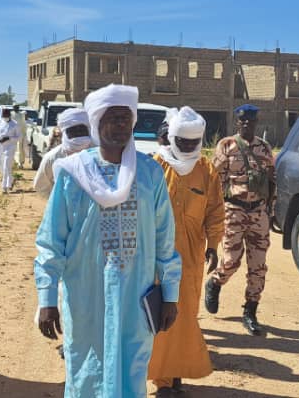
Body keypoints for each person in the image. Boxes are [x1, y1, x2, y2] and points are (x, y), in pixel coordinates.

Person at [35, 84, 182, 398]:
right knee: (86, 369)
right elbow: (51, 242)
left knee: (132, 369)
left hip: (135, 296)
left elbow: (164, 238)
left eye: (125, 118)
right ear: (96, 122)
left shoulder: (150, 173)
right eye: (112, 117)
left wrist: (170, 294)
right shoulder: (72, 173)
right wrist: (47, 299)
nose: (120, 124)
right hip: (85, 295)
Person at [148, 106, 223, 395]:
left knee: (184, 315)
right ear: (172, 138)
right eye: (183, 142)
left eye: (194, 143)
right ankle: (162, 380)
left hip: (191, 258)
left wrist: (213, 245)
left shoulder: (206, 170)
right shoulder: (155, 167)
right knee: (159, 315)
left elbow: (215, 210)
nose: (189, 147)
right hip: (156, 257)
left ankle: (175, 373)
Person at [204, 103, 276, 336]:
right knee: (231, 261)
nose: (246, 124)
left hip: (258, 212)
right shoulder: (226, 145)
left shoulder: (264, 148)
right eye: (242, 120)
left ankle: (250, 311)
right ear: (237, 122)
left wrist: (270, 210)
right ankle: (215, 282)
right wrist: (213, 212)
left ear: (256, 122)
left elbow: (271, 180)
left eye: (251, 120)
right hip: (234, 210)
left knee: (258, 266)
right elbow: (214, 180)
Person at [33, 107, 93, 197]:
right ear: (65, 132)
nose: (78, 133)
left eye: (81, 130)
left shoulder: (101, 153)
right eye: (73, 130)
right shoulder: (52, 157)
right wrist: (58, 200)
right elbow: (40, 186)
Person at [0, 107, 20, 193]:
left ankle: (5, 187)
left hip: (10, 147)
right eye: (3, 116)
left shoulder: (15, 124)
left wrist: (9, 138)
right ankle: (11, 180)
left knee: (6, 166)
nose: (5, 117)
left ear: (9, 115)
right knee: (1, 165)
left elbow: (19, 137)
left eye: (6, 116)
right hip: (0, 146)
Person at [13, 105, 29, 169]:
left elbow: (25, 113)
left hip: (22, 134)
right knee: (18, 148)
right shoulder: (12, 114)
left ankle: (21, 162)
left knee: (23, 148)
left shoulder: (21, 114)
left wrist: (26, 116)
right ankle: (18, 162)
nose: (16, 108)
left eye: (17, 107)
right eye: (15, 107)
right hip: (15, 134)